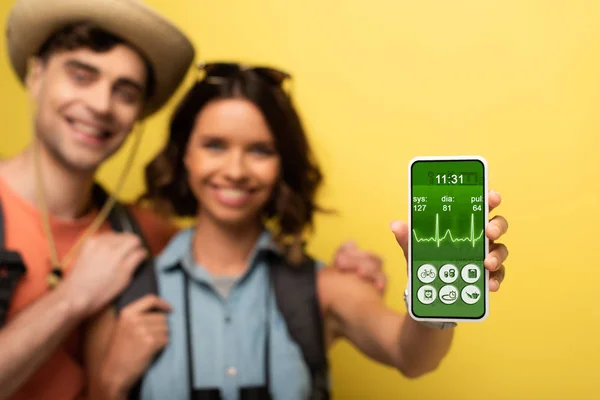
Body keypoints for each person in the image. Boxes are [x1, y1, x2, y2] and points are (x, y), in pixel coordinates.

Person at [0, 2, 389, 399]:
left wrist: (348, 275)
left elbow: (236, 262)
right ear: (36, 74)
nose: (101, 104)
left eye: (126, 92)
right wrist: (73, 298)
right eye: (82, 76)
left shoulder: (146, 236)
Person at [87, 63, 509, 399]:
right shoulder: (129, 290)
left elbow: (412, 358)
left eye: (260, 150)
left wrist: (438, 296)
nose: (235, 171)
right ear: (184, 156)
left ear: (282, 164)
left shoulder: (325, 287)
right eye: (215, 145)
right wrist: (110, 383)